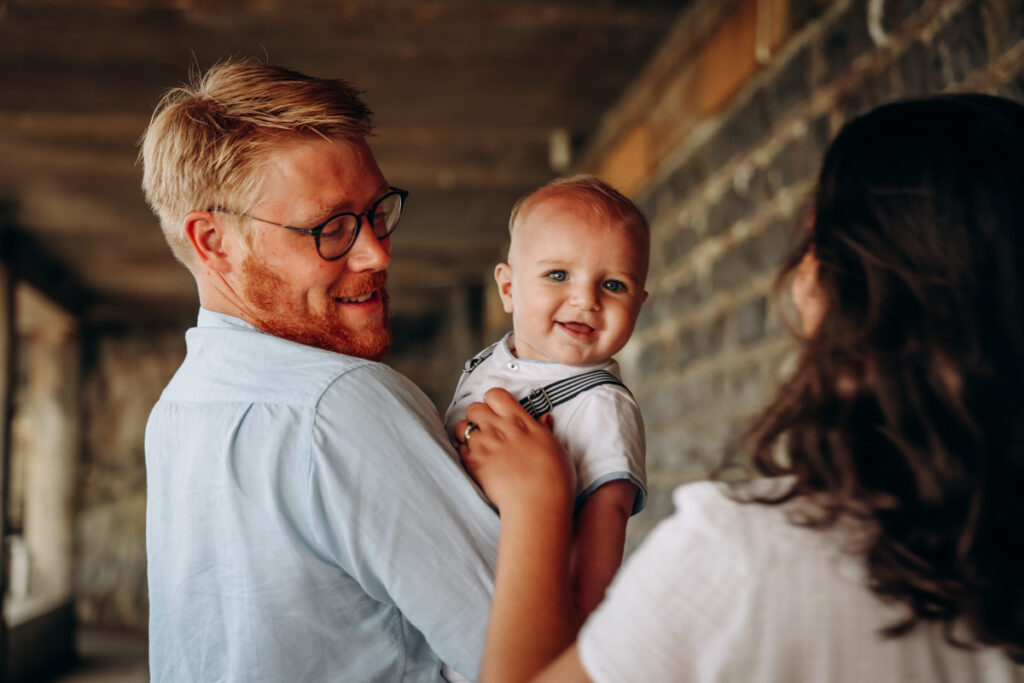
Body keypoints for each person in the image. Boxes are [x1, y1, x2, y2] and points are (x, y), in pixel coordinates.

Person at [456, 94, 1024, 682]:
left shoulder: (741, 559)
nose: (585, 299)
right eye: (557, 274)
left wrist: (537, 503)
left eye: (814, 238)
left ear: (840, 286)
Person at [140, 58, 499, 682]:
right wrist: (546, 497)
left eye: (378, 210)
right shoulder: (340, 404)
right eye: (331, 228)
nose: (377, 250)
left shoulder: (177, 409)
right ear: (213, 242)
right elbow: (530, 662)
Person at [445, 175, 648, 625]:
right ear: (508, 288)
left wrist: (574, 622)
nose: (585, 299)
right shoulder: (490, 363)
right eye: (558, 275)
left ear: (639, 303)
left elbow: (606, 517)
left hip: (515, 614)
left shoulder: (601, 405)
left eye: (614, 285)